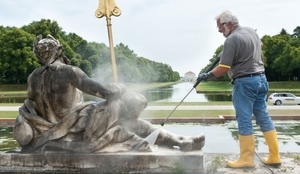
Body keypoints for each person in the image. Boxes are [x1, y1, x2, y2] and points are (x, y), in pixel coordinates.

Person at [14, 34, 204, 153]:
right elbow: (105, 92)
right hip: (76, 127)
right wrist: (120, 86)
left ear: (39, 55)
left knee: (122, 117)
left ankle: (179, 140)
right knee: (123, 105)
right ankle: (178, 140)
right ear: (58, 50)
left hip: (55, 129)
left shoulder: (33, 77)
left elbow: (32, 106)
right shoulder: (68, 71)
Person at [197, 10, 281, 168]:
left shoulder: (231, 40)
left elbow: (223, 67)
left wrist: (207, 75)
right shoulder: (251, 32)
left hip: (244, 83)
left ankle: (246, 160)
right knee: (264, 118)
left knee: (244, 120)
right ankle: (275, 156)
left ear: (229, 24)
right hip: (261, 80)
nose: (219, 30)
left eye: (220, 27)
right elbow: (259, 45)